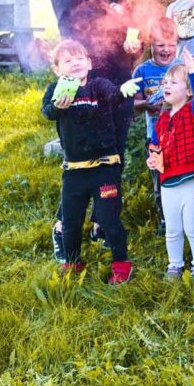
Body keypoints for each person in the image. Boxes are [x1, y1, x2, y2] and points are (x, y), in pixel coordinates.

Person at [47, 0, 142, 254]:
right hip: (83, 86)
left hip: (116, 83)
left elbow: (130, 34)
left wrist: (134, 47)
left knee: (114, 154)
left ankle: (103, 222)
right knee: (82, 159)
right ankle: (63, 226)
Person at [41, 39, 135, 284]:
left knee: (107, 218)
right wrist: (57, 107)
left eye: (79, 58)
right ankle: (72, 262)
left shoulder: (99, 86)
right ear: (57, 68)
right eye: (68, 61)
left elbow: (114, 97)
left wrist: (122, 92)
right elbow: (48, 113)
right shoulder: (56, 89)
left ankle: (121, 264)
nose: (75, 64)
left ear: (89, 63)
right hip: (73, 171)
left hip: (105, 166)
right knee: (70, 221)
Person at [148, 50, 194, 279]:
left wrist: (193, 71)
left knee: (193, 228)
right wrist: (153, 157)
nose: (167, 85)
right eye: (165, 82)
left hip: (193, 178)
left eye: (173, 82)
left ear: (188, 91)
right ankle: (174, 265)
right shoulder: (162, 119)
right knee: (173, 229)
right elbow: (156, 146)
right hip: (168, 182)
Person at [130, 17, 180, 235]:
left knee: (184, 178)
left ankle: (188, 216)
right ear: (151, 44)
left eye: (171, 45)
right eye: (161, 45)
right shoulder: (141, 71)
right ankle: (165, 220)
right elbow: (134, 103)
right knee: (160, 180)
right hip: (156, 137)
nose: (166, 50)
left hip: (182, 137)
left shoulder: (182, 68)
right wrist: (148, 104)